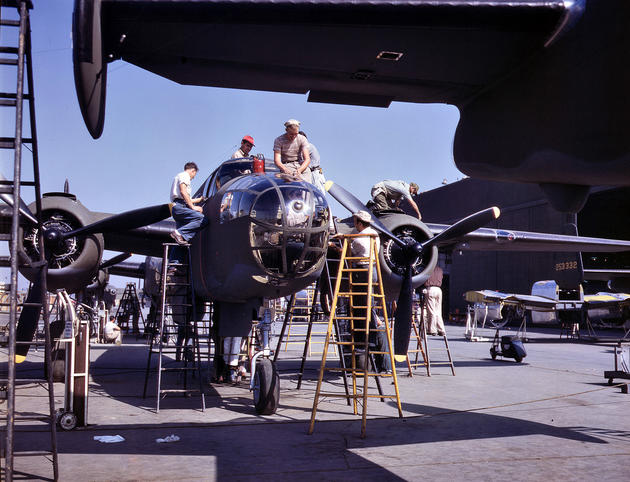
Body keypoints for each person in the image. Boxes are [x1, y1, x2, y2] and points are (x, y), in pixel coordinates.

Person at [329, 210, 391, 373]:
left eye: (355, 222)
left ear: (359, 223)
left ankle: (364, 341)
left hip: (362, 273)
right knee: (368, 306)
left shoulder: (359, 240)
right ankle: (369, 333)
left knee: (359, 309)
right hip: (374, 271)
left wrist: (334, 247)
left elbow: (347, 253)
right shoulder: (374, 234)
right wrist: (345, 237)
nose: (354, 224)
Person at [169, 162, 208, 245]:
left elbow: (186, 198)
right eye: (194, 175)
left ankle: (175, 258)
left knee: (180, 242)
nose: (193, 178)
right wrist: (193, 207)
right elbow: (183, 192)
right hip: (180, 206)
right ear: (193, 171)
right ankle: (178, 233)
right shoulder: (185, 175)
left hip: (178, 206)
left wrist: (200, 199)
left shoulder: (179, 176)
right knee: (202, 219)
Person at [423, 265, 446, 336]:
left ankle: (432, 330)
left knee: (431, 311)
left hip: (430, 289)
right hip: (439, 290)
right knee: (438, 311)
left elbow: (422, 279)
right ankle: (441, 329)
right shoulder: (440, 269)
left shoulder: (428, 268)